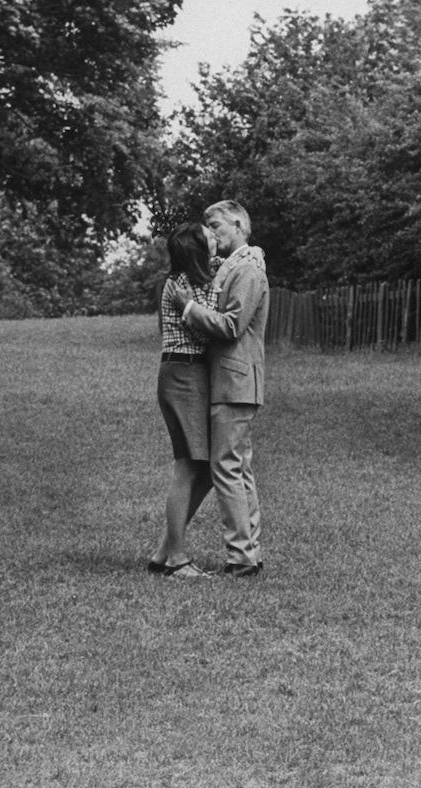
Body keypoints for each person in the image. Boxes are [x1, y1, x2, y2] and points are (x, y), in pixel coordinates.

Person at [169, 200, 269, 577]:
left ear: (239, 224)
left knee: (226, 467)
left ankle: (241, 557)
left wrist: (189, 309)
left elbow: (231, 326)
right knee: (238, 469)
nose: (210, 234)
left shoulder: (246, 270)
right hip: (234, 381)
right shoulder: (237, 267)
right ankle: (249, 554)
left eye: (215, 225)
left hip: (235, 381)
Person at [146, 222, 218, 579]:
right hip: (182, 372)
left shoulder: (196, 281)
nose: (215, 241)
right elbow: (206, 328)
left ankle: (164, 551)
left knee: (204, 469)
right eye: (210, 238)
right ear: (197, 249)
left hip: (193, 374)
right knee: (188, 466)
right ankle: (176, 557)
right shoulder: (180, 284)